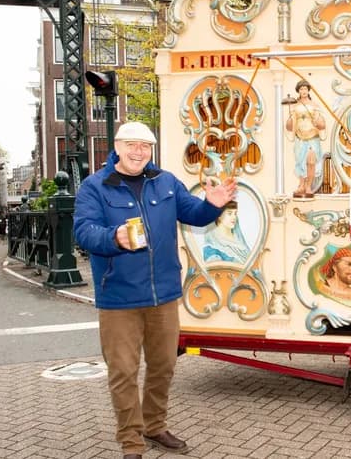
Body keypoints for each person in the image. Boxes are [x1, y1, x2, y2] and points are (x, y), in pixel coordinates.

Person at [74, 121, 237, 459]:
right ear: (117, 147)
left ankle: (155, 425)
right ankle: (132, 442)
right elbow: (83, 232)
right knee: (124, 373)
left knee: (163, 366)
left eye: (145, 146)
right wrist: (112, 237)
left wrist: (213, 204)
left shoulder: (165, 182)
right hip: (119, 298)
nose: (138, 151)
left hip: (163, 295)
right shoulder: (95, 187)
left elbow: (194, 214)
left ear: (151, 151)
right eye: (131, 144)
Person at [285, 80, 326, 198]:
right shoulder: (294, 106)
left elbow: (322, 125)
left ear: (308, 90)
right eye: (301, 89)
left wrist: (317, 123)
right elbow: (289, 127)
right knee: (300, 162)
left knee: (311, 161)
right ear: (298, 91)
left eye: (305, 89)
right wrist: (289, 120)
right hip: (300, 138)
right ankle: (301, 185)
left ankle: (309, 186)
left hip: (312, 137)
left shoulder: (315, 105)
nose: (303, 91)